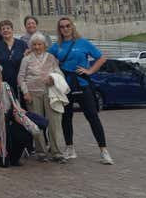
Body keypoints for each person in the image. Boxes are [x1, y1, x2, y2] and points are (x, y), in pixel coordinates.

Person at [48, 17, 114, 165]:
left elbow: (101, 58)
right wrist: (29, 51)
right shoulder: (56, 46)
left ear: (72, 26)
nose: (65, 29)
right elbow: (44, 54)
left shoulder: (83, 43)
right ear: (59, 30)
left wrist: (90, 71)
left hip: (82, 83)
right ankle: (70, 148)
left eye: (67, 26)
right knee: (66, 117)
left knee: (92, 116)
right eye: (62, 27)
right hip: (65, 85)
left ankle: (104, 150)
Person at [18, 32, 65, 162]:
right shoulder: (26, 59)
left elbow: (59, 72)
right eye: (34, 44)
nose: (37, 47)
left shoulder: (51, 58)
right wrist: (25, 92)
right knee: (36, 124)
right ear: (31, 46)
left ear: (45, 45)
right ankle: (41, 152)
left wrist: (53, 78)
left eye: (40, 44)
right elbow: (21, 77)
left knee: (54, 123)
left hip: (50, 93)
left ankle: (57, 152)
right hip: (32, 94)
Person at [0, 20, 27, 95]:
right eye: (3, 29)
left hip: (20, 82)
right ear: (0, 32)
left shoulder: (22, 44)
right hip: (3, 82)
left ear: (12, 30)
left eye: (8, 28)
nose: (6, 30)